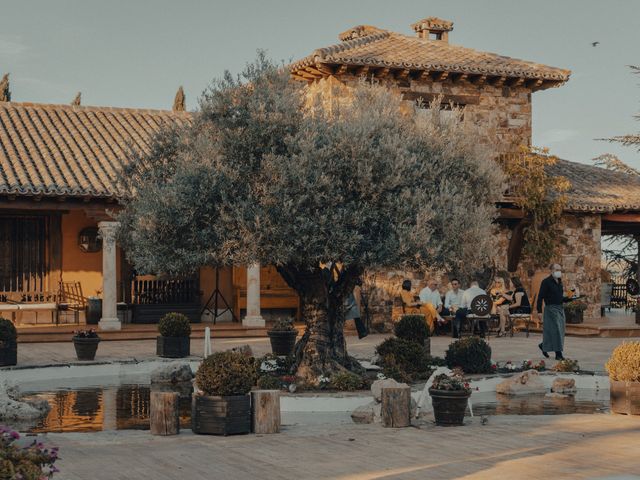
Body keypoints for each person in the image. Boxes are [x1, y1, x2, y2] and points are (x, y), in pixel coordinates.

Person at [536, 263, 568, 360]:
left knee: (560, 331)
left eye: (560, 269)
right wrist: (539, 311)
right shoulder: (546, 282)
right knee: (557, 331)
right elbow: (540, 297)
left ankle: (543, 345)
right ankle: (558, 354)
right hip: (551, 309)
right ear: (551, 270)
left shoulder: (559, 281)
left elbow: (560, 297)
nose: (559, 271)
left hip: (560, 308)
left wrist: (570, 297)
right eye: (557, 269)